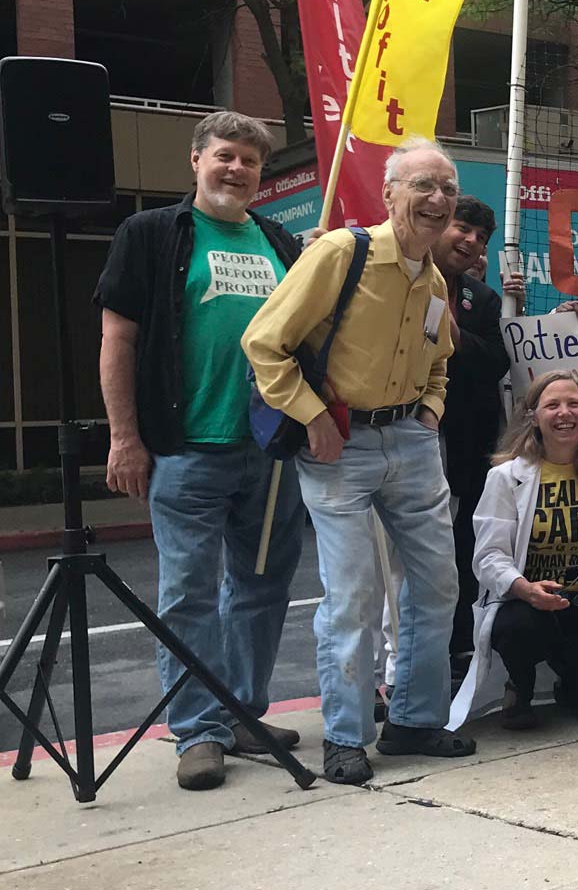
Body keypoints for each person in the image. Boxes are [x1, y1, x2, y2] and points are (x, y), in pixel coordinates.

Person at [242, 136, 473, 784]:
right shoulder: (344, 252)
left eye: (447, 189)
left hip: (411, 443)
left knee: (436, 586)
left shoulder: (433, 280)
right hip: (338, 444)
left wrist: (428, 413)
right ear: (389, 192)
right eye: (423, 185)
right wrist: (312, 416)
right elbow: (264, 341)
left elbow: (438, 363)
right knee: (354, 595)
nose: (436, 199)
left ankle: (415, 720)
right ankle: (346, 734)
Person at [94, 111, 306, 791]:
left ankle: (242, 711)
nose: (237, 168)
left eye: (249, 159)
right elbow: (118, 338)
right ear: (195, 160)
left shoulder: (282, 241)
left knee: (264, 587)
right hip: (186, 450)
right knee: (188, 594)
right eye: (225, 155)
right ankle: (199, 731)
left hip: (271, 455)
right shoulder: (152, 235)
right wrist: (125, 436)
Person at [449, 371, 578, 730]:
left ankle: (570, 683)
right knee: (520, 628)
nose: (564, 413)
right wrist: (525, 589)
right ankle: (519, 686)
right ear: (534, 417)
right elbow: (489, 557)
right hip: (527, 607)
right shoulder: (506, 477)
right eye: (552, 405)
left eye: (574, 404)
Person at [431, 195, 513, 684]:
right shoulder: (398, 278)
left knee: (465, 548)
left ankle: (460, 643)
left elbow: (496, 361)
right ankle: (393, 669)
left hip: (464, 445)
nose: (471, 242)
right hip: (403, 436)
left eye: (481, 237)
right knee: (396, 567)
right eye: (463, 229)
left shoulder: (479, 301)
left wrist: (455, 336)